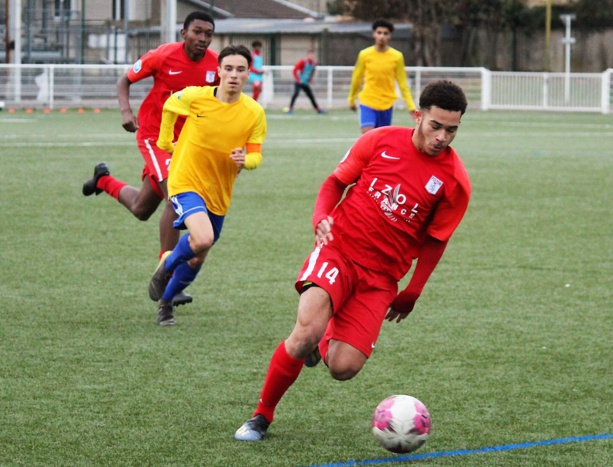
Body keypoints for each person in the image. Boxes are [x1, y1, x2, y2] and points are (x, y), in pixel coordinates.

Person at [235, 80, 470, 442]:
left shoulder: (454, 182)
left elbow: (436, 241)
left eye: (451, 130)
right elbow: (334, 183)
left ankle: (324, 341)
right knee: (304, 333)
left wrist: (414, 290)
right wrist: (320, 217)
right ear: (418, 116)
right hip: (339, 250)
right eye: (435, 125)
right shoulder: (379, 141)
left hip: (381, 278)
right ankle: (261, 416)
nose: (442, 136)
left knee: (343, 369)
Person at [82, 11, 219, 306]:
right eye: (197, 32)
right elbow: (124, 80)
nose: (203, 38)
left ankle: (103, 180)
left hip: (187, 144)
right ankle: (167, 274)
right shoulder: (162, 56)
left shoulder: (215, 65)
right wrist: (125, 111)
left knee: (141, 208)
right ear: (184, 33)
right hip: (155, 137)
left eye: (208, 34)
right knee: (177, 194)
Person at [148, 44, 267, 326]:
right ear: (218, 71)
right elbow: (168, 107)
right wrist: (166, 143)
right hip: (185, 180)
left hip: (219, 191)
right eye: (228, 68)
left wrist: (245, 160)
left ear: (248, 73)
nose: (234, 75)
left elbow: (256, 155)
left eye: (240, 69)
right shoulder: (196, 97)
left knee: (198, 258)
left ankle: (166, 302)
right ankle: (166, 266)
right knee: (201, 238)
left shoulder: (254, 112)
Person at [347, 18, 416, 134]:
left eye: (385, 33)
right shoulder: (364, 55)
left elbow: (402, 83)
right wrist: (351, 99)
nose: (382, 36)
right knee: (368, 135)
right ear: (374, 34)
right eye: (379, 33)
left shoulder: (397, 56)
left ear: (390, 36)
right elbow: (357, 78)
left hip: (386, 103)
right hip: (367, 100)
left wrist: (411, 106)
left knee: (381, 139)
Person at [284, 50, 325, 114]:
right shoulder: (303, 62)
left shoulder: (314, 63)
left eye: (312, 55)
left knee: (311, 95)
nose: (311, 56)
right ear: (308, 55)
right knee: (295, 94)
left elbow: (312, 71)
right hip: (299, 82)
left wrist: (310, 79)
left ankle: (318, 109)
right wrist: (298, 79)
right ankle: (290, 109)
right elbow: (295, 69)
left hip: (305, 83)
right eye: (310, 54)